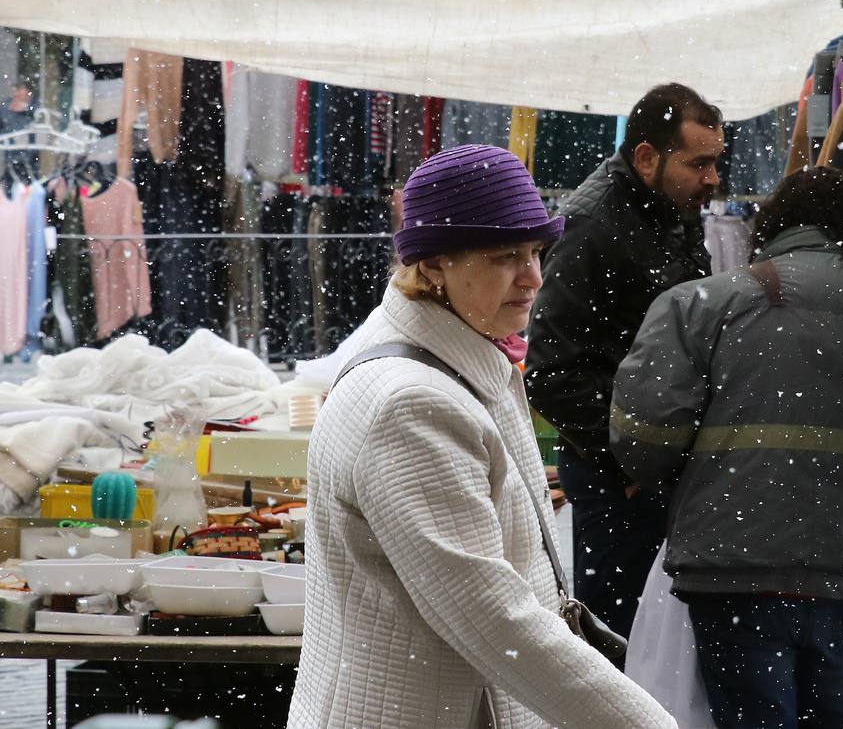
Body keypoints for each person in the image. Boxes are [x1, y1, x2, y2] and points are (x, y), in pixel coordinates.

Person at [289, 145, 676, 729]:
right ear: (435, 264)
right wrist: (647, 724)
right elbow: (492, 615)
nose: (534, 277)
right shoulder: (410, 403)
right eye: (505, 257)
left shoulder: (456, 359)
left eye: (536, 251)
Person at [611, 166, 843, 729]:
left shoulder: (699, 304)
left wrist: (704, 479)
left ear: (771, 227)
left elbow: (643, 441)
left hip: (733, 569)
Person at [525, 83, 724, 638]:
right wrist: (630, 463)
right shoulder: (592, 228)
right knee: (619, 642)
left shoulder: (666, 205)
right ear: (645, 157)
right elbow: (550, 374)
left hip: (662, 468)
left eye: (716, 162)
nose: (712, 178)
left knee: (662, 646)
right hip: (620, 480)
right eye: (699, 163)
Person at [0, 78, 38, 178]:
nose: (17, 94)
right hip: (10, 155)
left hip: (31, 157)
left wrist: (26, 110)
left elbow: (38, 129)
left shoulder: (35, 108)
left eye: (21, 90)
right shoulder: (5, 107)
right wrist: (4, 140)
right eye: (15, 90)